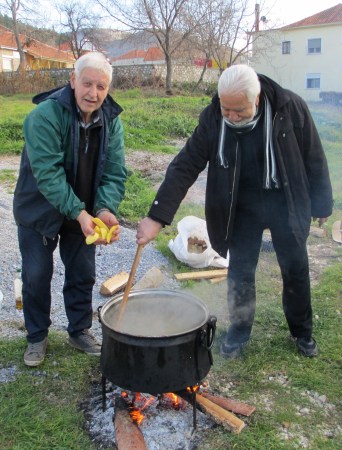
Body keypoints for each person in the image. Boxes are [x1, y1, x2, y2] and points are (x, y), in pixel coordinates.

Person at [136, 64, 333, 358]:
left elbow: (313, 156)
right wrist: (156, 217)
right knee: (240, 271)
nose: (231, 116)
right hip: (240, 205)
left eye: (238, 110)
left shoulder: (290, 108)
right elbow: (185, 165)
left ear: (256, 99)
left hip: (286, 199)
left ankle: (302, 332)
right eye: (226, 109)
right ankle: (239, 333)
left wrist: (321, 203)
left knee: (295, 268)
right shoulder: (214, 117)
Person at [13, 52, 127, 367]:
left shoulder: (111, 121)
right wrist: (79, 212)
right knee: (36, 275)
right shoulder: (44, 116)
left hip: (84, 211)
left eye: (101, 87)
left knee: (83, 273)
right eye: (87, 83)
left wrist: (103, 208)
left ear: (108, 89)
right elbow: (48, 174)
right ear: (73, 80)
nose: (93, 93)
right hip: (39, 208)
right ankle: (37, 336)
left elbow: (114, 172)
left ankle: (79, 330)